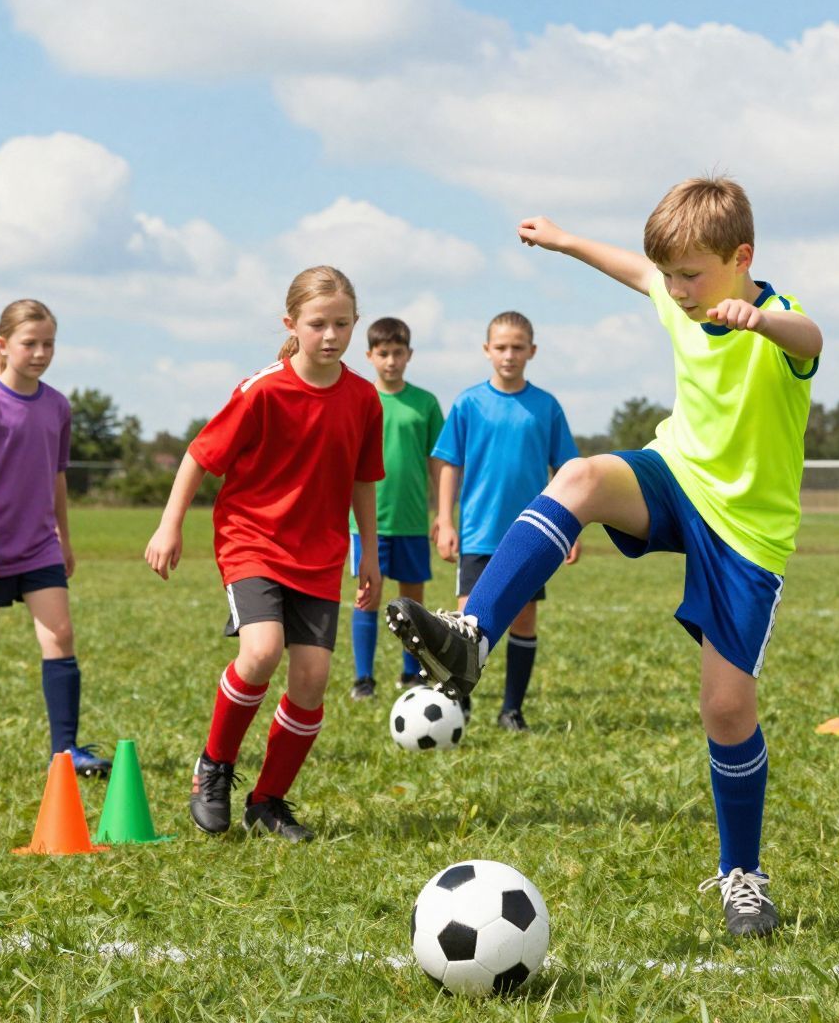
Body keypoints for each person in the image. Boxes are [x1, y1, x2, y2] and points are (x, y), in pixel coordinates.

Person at [389, 179, 822, 936]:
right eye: (673, 276)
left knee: (724, 708)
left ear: (741, 258)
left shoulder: (775, 321)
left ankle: (742, 876)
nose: (678, 291)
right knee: (580, 475)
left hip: (745, 530)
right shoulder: (675, 289)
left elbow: (811, 340)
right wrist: (562, 239)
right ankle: (472, 635)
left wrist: (760, 322)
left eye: (693, 275)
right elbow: (634, 269)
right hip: (676, 475)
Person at [145, 266, 383, 840]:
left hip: (321, 553)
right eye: (318, 323)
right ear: (291, 324)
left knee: (313, 676)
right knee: (261, 651)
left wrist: (368, 553)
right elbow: (199, 457)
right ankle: (213, 767)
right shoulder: (263, 390)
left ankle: (269, 801)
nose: (330, 335)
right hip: (252, 540)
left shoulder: (363, 399)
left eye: (342, 324)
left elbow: (362, 481)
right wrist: (169, 525)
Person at [0, 299, 110, 780]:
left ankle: (65, 751)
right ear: (3, 345)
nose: (40, 352)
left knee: (61, 635)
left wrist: (64, 539)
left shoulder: (57, 405)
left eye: (49, 343)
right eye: (30, 343)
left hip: (39, 548)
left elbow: (56, 479)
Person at [432, 311, 580, 732]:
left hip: (531, 538)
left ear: (532, 351)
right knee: (466, 625)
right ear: (487, 350)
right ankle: (457, 706)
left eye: (518, 347)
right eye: (501, 347)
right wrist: (444, 520)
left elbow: (568, 469)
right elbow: (449, 464)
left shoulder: (546, 406)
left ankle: (511, 709)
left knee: (524, 619)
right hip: (478, 533)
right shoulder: (468, 403)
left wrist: (572, 527)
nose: (509, 355)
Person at [348, 317, 444, 702]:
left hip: (411, 522)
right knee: (367, 597)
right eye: (383, 353)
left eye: (398, 353)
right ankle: (363, 679)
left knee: (411, 603)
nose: (391, 361)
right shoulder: (360, 399)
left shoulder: (425, 403)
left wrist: (441, 511)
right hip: (367, 523)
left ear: (409, 355)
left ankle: (412, 673)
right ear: (370, 355)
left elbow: (440, 461)